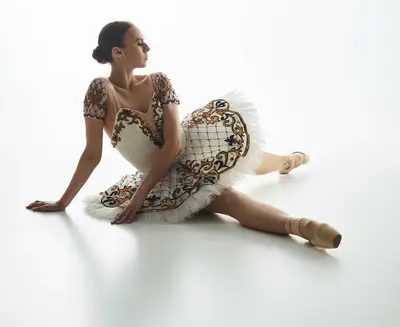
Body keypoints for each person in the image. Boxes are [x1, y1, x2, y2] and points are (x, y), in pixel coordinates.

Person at [27, 21, 342, 249]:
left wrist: (138, 200)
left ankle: (287, 161)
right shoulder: (100, 91)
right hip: (162, 177)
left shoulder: (159, 80)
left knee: (244, 156)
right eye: (139, 43)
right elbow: (92, 153)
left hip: (187, 147)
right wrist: (62, 201)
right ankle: (302, 226)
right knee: (227, 198)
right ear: (118, 52)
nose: (147, 47)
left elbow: (175, 143)